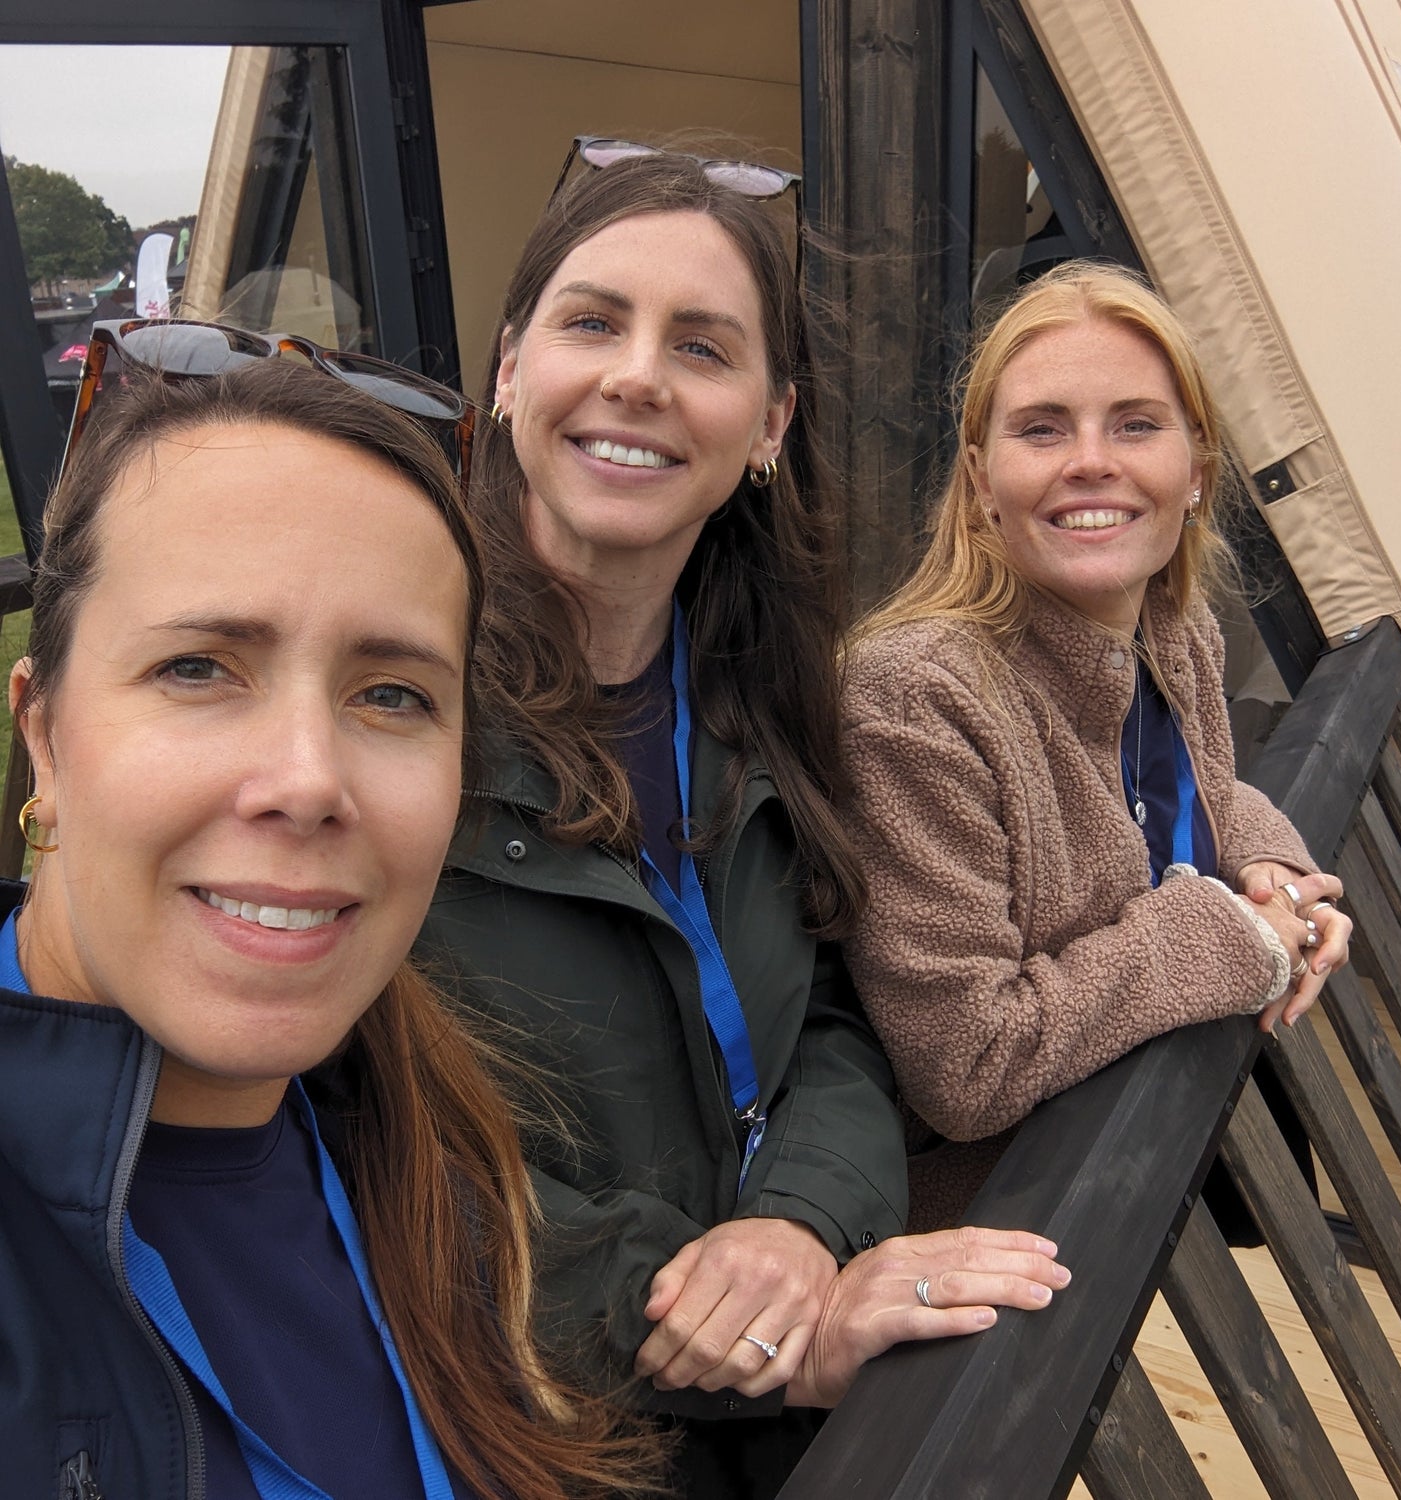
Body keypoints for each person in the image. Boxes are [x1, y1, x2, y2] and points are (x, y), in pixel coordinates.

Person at [418, 143, 1070, 1497]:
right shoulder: (393, 715)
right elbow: (332, 1145)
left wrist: (797, 1229)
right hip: (516, 1441)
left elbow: (830, 1017)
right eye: (592, 322)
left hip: (767, 1431)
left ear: (770, 425)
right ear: (508, 369)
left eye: (702, 347)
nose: (639, 375)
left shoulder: (754, 695)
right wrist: (723, 1309)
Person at [0, 326, 655, 1500]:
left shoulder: (422, 1143)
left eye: (393, 694)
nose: (309, 780)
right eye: (199, 668)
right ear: (43, 733)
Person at [841, 262, 1355, 1230]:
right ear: (981, 477)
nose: (1091, 461)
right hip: (1003, 1265)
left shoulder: (1174, 628)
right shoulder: (916, 700)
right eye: (1042, 428)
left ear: (1197, 469)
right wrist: (1217, 933)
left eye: (1135, 424)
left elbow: (1192, 791)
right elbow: (967, 1063)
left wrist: (1279, 870)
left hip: (1146, 1176)